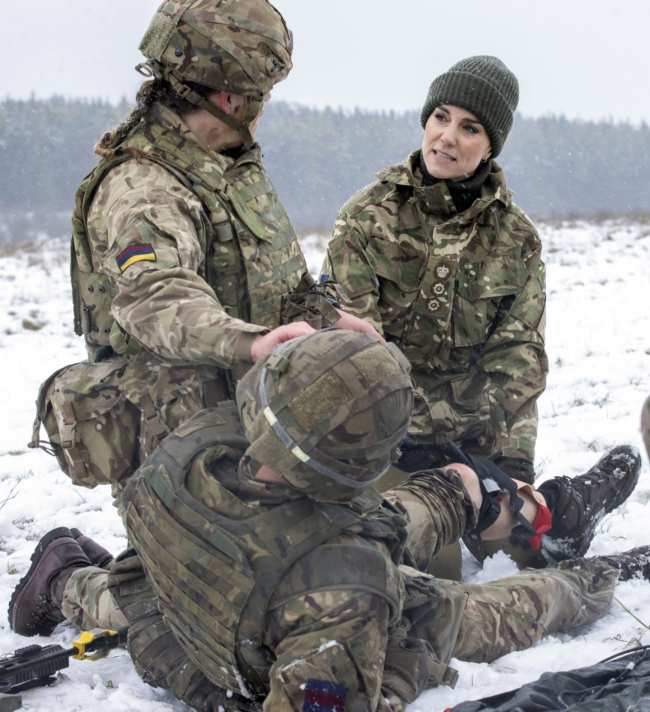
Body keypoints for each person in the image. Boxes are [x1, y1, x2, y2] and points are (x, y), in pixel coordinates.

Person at [9, 331, 646, 712]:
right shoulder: (347, 588)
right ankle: (594, 571)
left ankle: (66, 579)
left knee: (415, 513)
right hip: (264, 644)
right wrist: (402, 670)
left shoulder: (204, 437)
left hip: (171, 602)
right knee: (496, 608)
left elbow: (320, 521)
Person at [31, 0, 376, 492]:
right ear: (231, 99)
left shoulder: (226, 166)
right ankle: (66, 571)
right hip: (183, 454)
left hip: (254, 429)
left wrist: (325, 319)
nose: (265, 106)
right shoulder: (146, 188)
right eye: (263, 93)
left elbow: (268, 284)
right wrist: (250, 342)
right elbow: (158, 298)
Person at [322, 56, 546, 486]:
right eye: (441, 118)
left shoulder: (516, 239)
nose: (447, 137)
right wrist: (413, 439)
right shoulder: (367, 218)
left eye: (470, 128)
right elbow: (354, 347)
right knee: (423, 545)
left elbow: (519, 358)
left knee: (522, 542)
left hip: (474, 446)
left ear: (490, 146)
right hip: (381, 439)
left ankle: (568, 507)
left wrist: (515, 465)